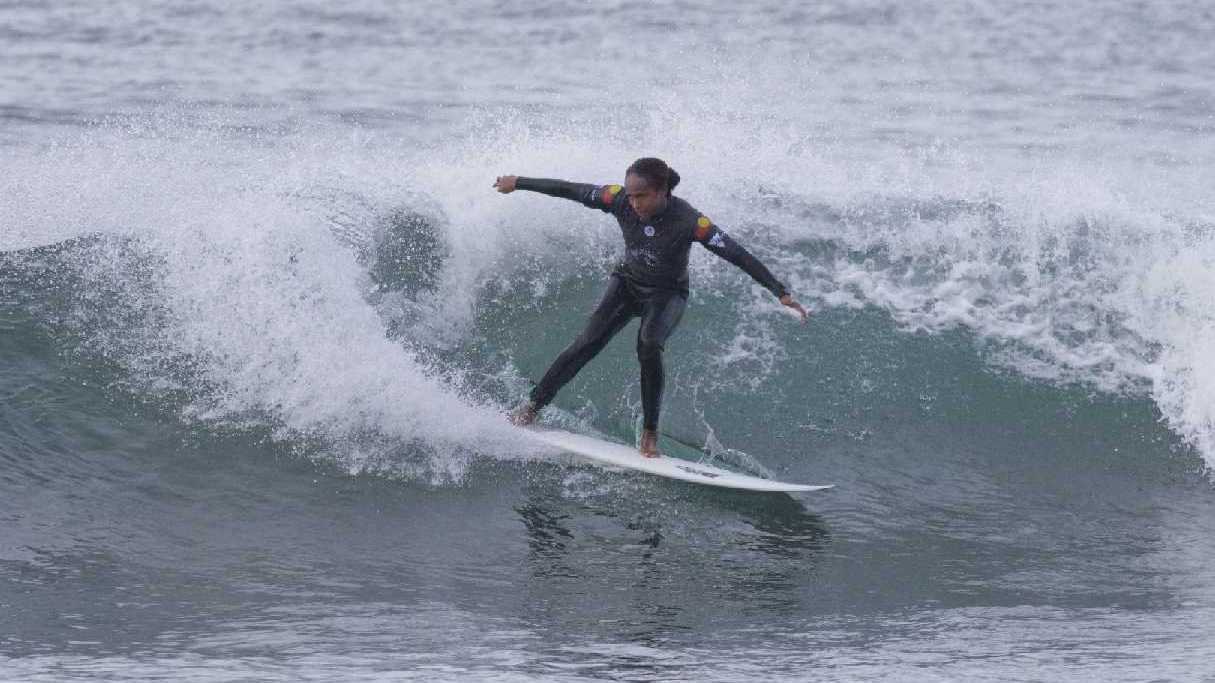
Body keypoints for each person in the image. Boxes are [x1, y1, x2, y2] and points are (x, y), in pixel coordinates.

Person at [495, 157, 807, 457]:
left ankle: (649, 432)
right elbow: (570, 189)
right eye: (630, 196)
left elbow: (736, 253)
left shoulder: (690, 222)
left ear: (662, 192)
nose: (633, 203)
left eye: (641, 196)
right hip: (627, 283)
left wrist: (778, 290)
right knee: (586, 343)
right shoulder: (617, 199)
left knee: (649, 344)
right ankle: (532, 407)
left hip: (667, 294)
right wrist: (519, 182)